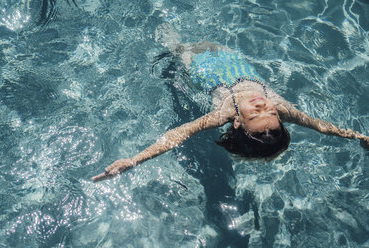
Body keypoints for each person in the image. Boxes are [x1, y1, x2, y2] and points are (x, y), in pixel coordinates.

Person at [91, 26, 369, 182]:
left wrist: (134, 159)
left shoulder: (223, 113)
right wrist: (357, 136)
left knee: (176, 45)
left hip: (199, 66)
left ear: (237, 122)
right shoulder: (283, 109)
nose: (263, 104)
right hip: (229, 58)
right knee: (206, 39)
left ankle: (172, 45)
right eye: (269, 110)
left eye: (256, 112)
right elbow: (321, 126)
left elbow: (178, 135)